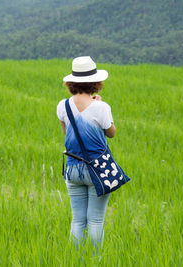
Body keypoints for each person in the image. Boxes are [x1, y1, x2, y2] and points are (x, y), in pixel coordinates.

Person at [56, 56, 116, 253]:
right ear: (95, 83)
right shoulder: (101, 107)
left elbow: (68, 133)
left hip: (72, 169)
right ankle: (96, 261)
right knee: (96, 220)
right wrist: (98, 105)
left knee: (78, 220)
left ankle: (76, 261)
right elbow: (111, 133)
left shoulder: (63, 106)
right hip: (97, 169)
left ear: (72, 82)